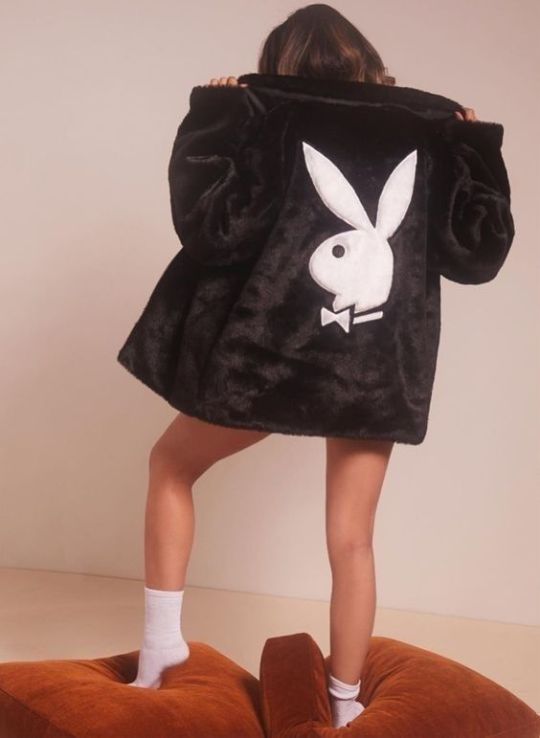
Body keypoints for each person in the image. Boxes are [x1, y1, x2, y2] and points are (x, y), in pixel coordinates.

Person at [118, 3, 514, 730]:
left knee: (170, 465)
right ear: (368, 65)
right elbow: (476, 255)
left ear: (280, 66)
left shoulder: (268, 117)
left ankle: (160, 647)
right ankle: (344, 702)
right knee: (353, 537)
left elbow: (214, 231)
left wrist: (216, 117)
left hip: (271, 362)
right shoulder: (429, 136)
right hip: (376, 370)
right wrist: (475, 148)